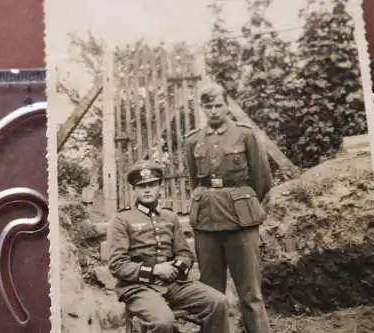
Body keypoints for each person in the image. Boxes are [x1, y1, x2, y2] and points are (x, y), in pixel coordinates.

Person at [184, 84, 273, 333]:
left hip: (241, 223)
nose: (214, 111)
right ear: (202, 108)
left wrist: (242, 201)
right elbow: (195, 182)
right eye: (208, 106)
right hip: (206, 222)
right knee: (211, 293)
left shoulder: (245, 135)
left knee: (251, 294)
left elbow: (262, 180)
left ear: (227, 105)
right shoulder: (192, 141)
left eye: (218, 105)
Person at [108, 160, 231, 333]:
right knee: (163, 322)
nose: (147, 189)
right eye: (142, 186)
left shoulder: (170, 217)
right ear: (134, 189)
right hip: (138, 287)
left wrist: (173, 268)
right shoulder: (122, 219)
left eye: (152, 184)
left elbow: (185, 255)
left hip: (174, 284)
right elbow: (117, 265)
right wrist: (155, 270)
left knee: (218, 302)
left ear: (160, 187)